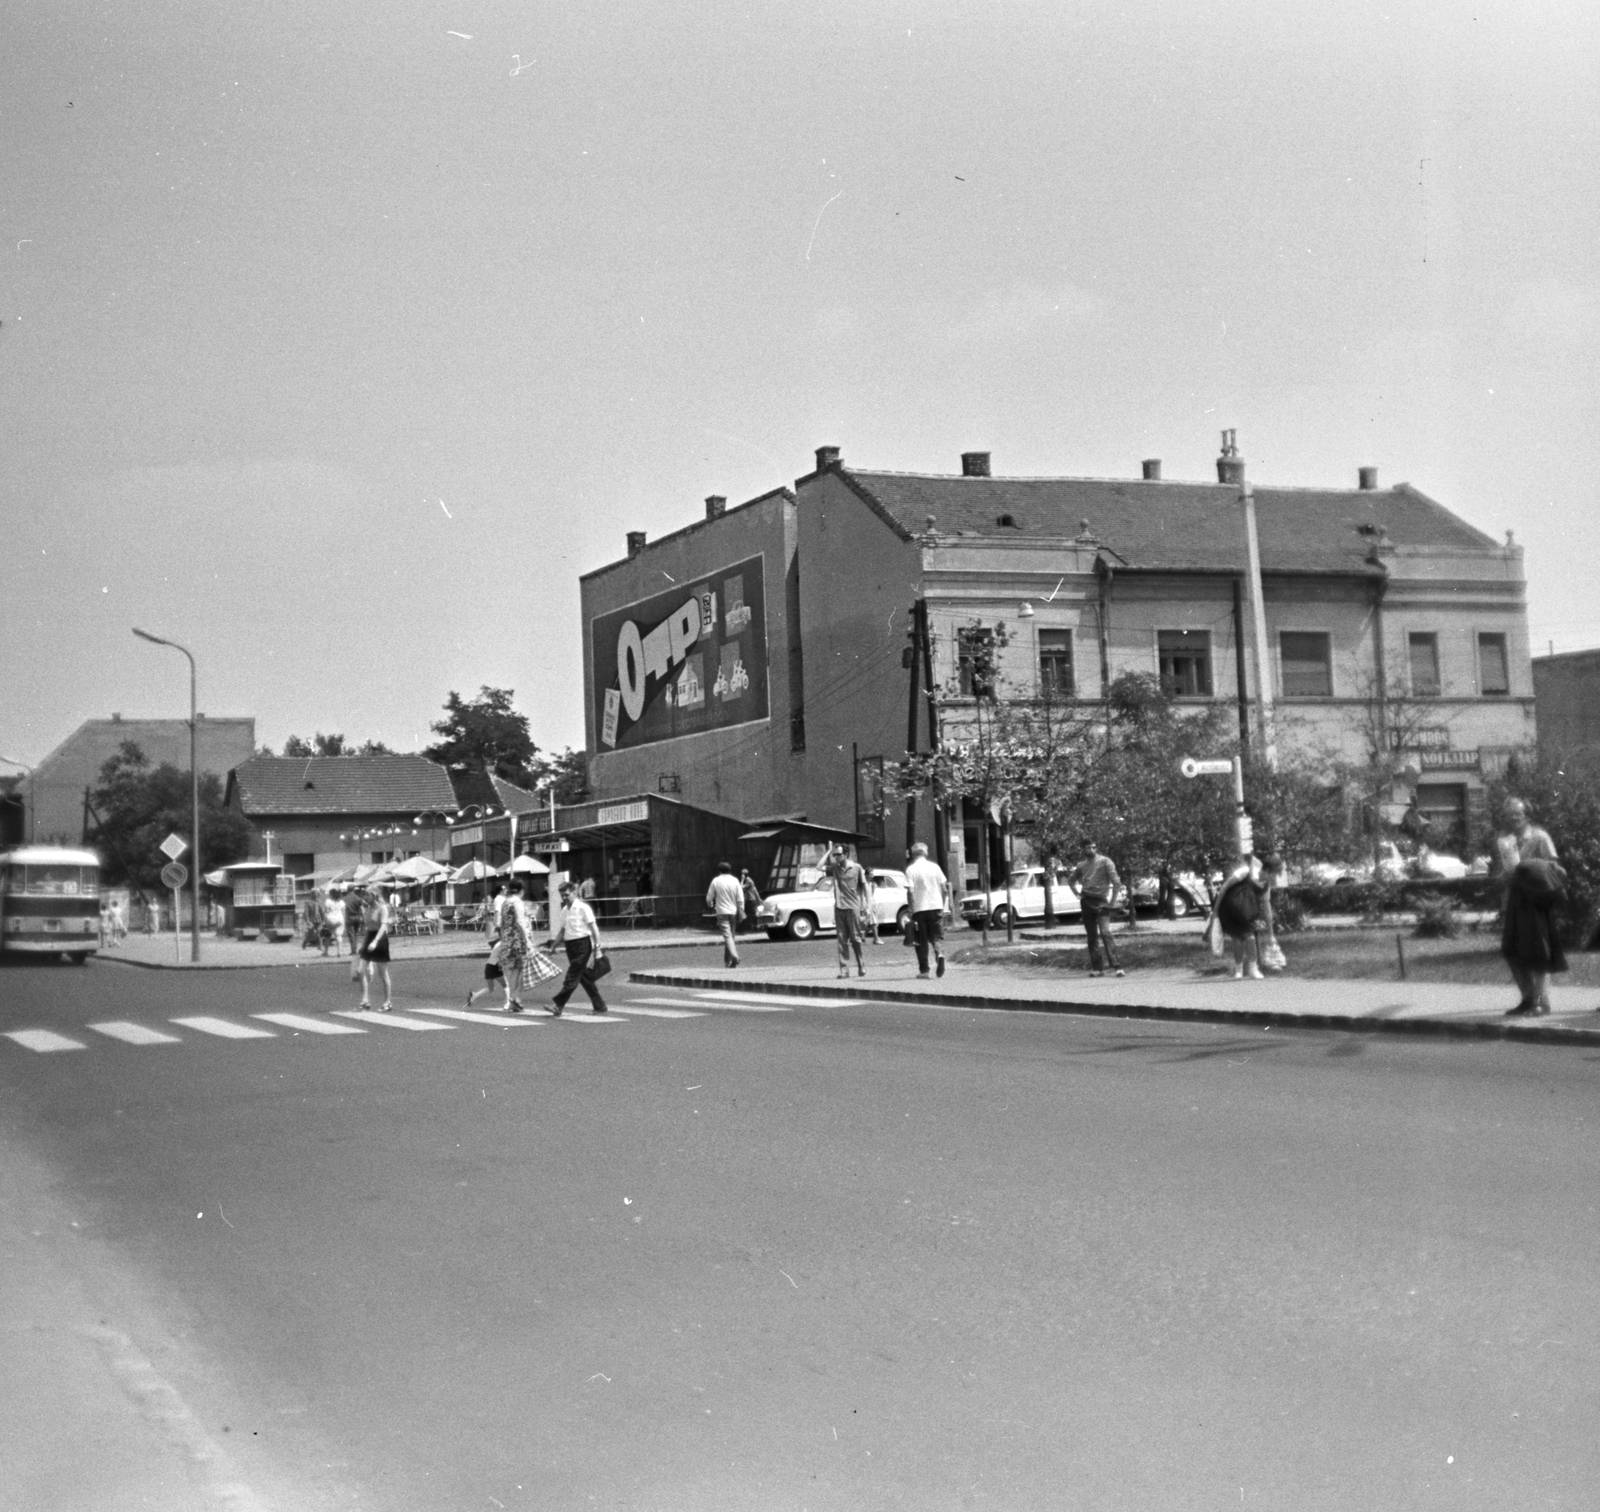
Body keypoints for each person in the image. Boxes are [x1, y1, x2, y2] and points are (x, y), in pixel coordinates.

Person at [1497, 798, 1565, 1016]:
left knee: (1538, 952)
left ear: (1526, 815)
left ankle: (1541, 1002)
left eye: (1517, 814)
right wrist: (1503, 877)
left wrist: (1530, 870)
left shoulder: (1539, 837)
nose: (1513, 819)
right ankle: (1527, 998)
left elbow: (1555, 868)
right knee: (1513, 951)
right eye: (1509, 815)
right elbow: (1502, 870)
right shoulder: (1505, 841)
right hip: (1514, 900)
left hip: (1536, 902)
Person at [1208, 855, 1276, 980]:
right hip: (1229, 910)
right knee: (1237, 940)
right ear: (1265, 870)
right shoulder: (1245, 872)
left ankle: (1253, 969)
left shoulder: (1266, 886)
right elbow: (1224, 888)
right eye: (1271, 873)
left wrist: (1271, 932)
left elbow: (1267, 908)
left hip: (1247, 913)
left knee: (1250, 938)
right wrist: (1215, 911)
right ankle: (1239, 970)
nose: (1273, 877)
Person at [549, 878, 607, 1015]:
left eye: (567, 894)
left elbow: (594, 928)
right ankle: (600, 1006)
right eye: (562, 895)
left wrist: (597, 947)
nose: (564, 898)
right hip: (570, 946)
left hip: (582, 945)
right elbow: (562, 931)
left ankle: (558, 1005)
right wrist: (553, 946)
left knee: (572, 975)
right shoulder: (564, 911)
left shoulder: (583, 908)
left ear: (574, 893)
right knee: (583, 977)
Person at [1067, 838, 1125, 977]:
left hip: (1101, 902)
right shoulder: (1082, 865)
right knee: (1092, 936)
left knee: (1105, 933)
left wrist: (1112, 902)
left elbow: (1116, 882)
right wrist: (1077, 894)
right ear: (1084, 849)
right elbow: (1071, 880)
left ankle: (1117, 966)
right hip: (1086, 901)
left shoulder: (1105, 862)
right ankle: (1098, 968)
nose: (1091, 850)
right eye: (1088, 848)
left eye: (1093, 847)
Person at [467, 881, 519, 1012]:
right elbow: (502, 958)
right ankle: (506, 1005)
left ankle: (474, 996)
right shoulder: (503, 944)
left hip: (488, 967)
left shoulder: (498, 943)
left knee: (491, 988)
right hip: (494, 967)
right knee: (506, 985)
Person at [904, 841, 950, 979]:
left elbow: (910, 891)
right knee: (937, 936)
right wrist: (942, 905)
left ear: (913, 854)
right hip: (936, 907)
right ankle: (939, 954)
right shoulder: (935, 867)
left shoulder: (911, 870)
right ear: (926, 853)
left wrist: (911, 908)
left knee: (920, 940)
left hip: (919, 909)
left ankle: (924, 970)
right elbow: (944, 889)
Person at [824, 844, 868, 978]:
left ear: (846, 854)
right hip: (839, 907)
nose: (836, 857)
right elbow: (818, 867)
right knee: (842, 940)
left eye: (838, 854)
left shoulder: (857, 868)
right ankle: (844, 970)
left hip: (853, 907)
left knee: (855, 938)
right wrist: (828, 852)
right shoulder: (835, 869)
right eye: (834, 855)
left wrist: (866, 906)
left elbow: (865, 886)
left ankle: (861, 964)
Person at [356, 887, 394, 1011]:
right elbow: (368, 928)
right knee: (360, 970)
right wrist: (364, 945)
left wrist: (375, 941)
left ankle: (387, 1002)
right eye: (364, 895)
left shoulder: (382, 908)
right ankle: (365, 1000)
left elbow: (383, 926)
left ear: (374, 895)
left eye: (367, 895)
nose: (365, 898)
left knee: (382, 972)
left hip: (380, 938)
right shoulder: (367, 909)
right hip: (370, 937)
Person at [706, 861, 745, 967]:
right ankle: (728, 962)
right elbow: (740, 898)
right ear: (730, 869)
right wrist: (741, 910)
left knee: (727, 936)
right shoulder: (735, 880)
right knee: (731, 936)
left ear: (719, 870)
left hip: (722, 912)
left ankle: (734, 956)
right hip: (733, 911)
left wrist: (710, 905)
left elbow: (709, 897)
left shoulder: (716, 881)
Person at [343, 886, 366, 983]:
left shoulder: (344, 898)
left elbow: (343, 908)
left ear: (347, 889)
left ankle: (353, 950)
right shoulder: (357, 898)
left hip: (349, 917)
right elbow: (364, 905)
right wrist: (363, 918)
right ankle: (354, 948)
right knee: (355, 934)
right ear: (354, 890)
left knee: (351, 934)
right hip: (357, 917)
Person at [860, 865, 879, 944]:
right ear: (866, 875)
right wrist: (865, 906)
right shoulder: (863, 884)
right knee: (873, 923)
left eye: (872, 874)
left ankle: (863, 936)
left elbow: (871, 895)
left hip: (872, 905)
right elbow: (863, 895)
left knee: (871, 923)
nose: (872, 876)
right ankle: (876, 939)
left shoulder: (871, 884)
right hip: (866, 905)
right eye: (871, 874)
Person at [739, 868, 762, 933]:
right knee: (745, 914)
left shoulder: (749, 881)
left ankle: (756, 927)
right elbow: (755, 890)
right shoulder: (748, 881)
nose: (741, 875)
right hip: (747, 900)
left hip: (751, 900)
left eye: (742, 874)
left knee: (753, 914)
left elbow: (740, 887)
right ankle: (743, 929)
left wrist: (742, 880)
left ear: (745, 875)